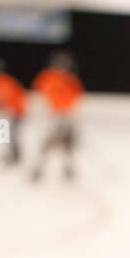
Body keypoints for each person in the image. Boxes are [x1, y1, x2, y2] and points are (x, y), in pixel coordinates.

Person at [30, 51, 84, 182]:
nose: (61, 68)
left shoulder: (71, 80)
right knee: (47, 142)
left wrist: (70, 116)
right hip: (52, 115)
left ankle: (68, 169)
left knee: (67, 143)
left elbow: (77, 97)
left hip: (66, 115)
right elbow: (38, 91)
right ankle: (38, 169)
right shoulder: (46, 77)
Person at [0, 57, 27, 165]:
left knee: (7, 135)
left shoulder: (1, 81)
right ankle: (12, 155)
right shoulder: (1, 80)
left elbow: (4, 97)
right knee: (7, 135)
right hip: (12, 111)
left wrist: (0, 110)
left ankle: (13, 157)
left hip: (13, 111)